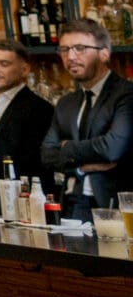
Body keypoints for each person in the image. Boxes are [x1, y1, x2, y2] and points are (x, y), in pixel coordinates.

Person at [42, 17, 133, 216]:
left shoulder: (126, 94)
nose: (70, 57)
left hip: (114, 206)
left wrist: (67, 147)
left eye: (80, 48)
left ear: (104, 54)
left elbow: (112, 148)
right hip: (71, 203)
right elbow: (47, 155)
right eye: (64, 49)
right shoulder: (66, 103)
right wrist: (81, 168)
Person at [0, 36, 53, 190]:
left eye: (4, 64)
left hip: (21, 196)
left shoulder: (39, 109)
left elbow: (33, 163)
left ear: (24, 69)